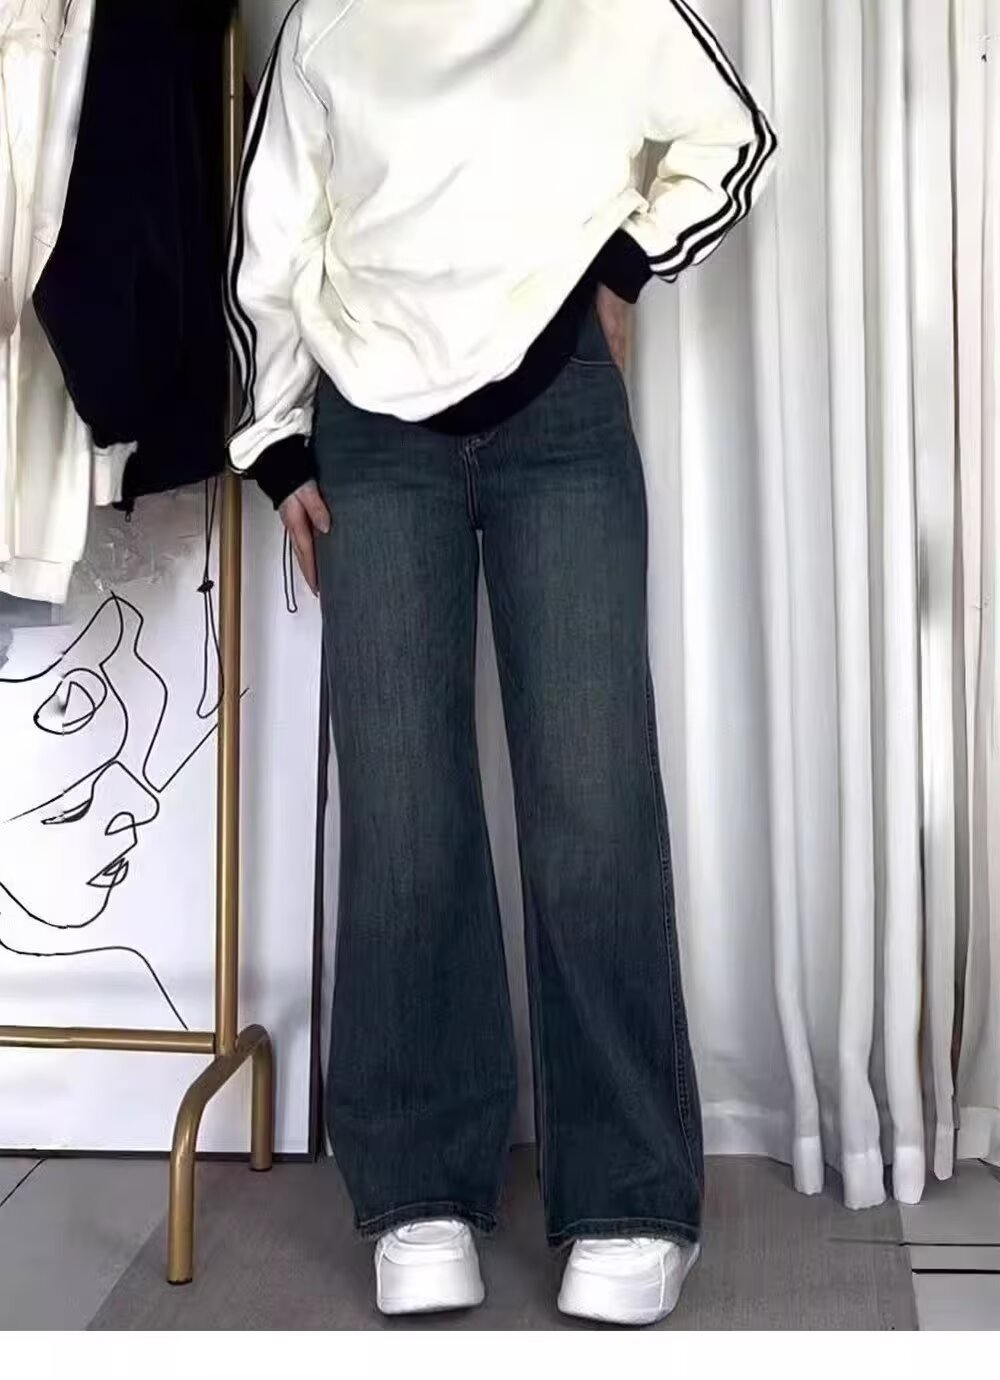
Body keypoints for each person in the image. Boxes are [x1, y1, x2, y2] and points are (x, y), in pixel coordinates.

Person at [228, 0, 775, 1326]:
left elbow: (733, 136)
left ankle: (631, 1197)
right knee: (404, 811)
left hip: (561, 410)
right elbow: (273, 238)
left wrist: (624, 266)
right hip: (370, 432)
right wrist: (277, 440)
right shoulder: (324, 25)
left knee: (595, 804)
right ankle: (419, 1188)